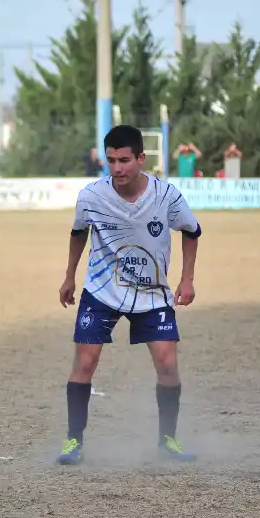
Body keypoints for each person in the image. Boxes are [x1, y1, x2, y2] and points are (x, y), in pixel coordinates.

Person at [58, 125, 201, 465]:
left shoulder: (166, 196)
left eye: (124, 160)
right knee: (85, 362)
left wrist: (187, 279)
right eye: (111, 160)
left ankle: (168, 440)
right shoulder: (91, 196)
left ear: (141, 158)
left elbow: (192, 232)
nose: (117, 168)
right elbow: (79, 232)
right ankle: (72, 443)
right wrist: (69, 276)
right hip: (101, 290)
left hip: (152, 294)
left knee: (167, 363)